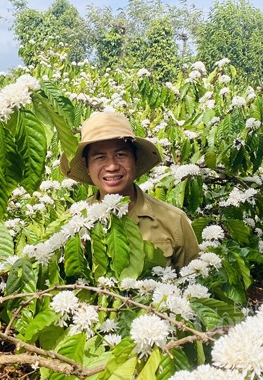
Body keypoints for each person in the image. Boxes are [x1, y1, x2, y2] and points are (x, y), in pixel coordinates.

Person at [60, 111, 200, 269]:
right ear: (87, 166)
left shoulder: (174, 221)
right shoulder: (73, 222)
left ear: (135, 160)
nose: (112, 166)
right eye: (100, 157)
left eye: (120, 154)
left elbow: (193, 279)